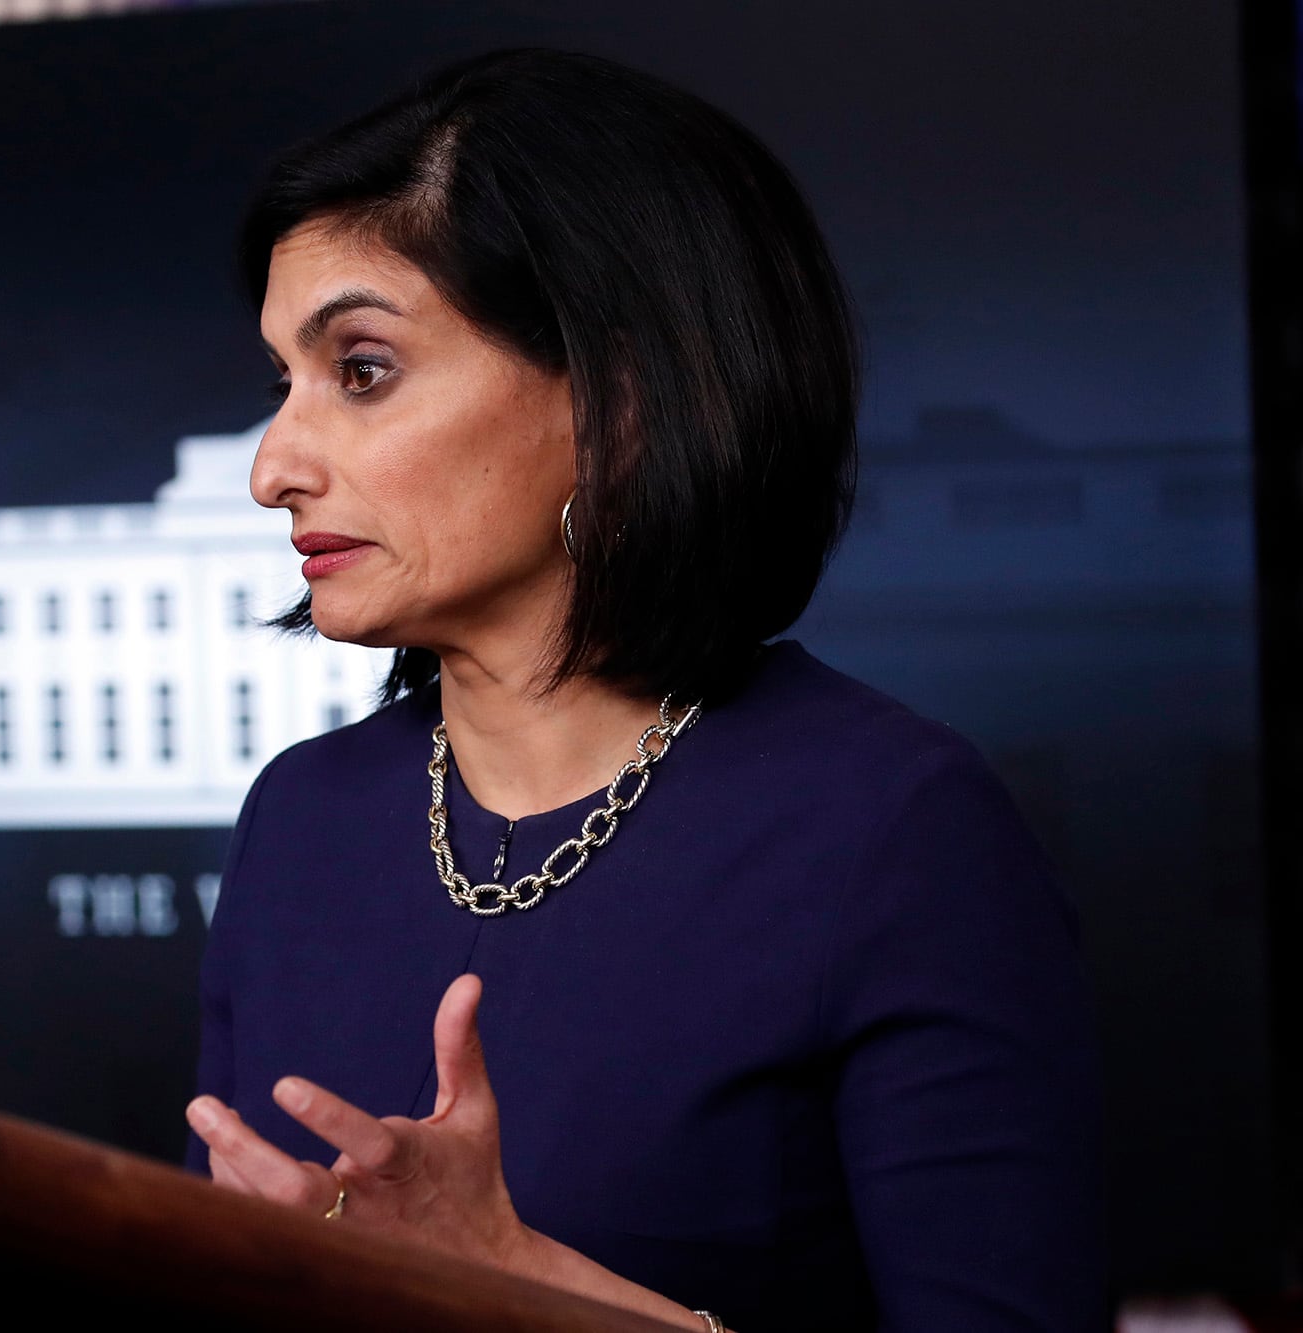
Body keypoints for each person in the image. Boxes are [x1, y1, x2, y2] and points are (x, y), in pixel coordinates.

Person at [183, 48, 1105, 1333]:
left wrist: (529, 1290)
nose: (272, 465)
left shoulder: (892, 825)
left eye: (362, 369)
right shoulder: (303, 816)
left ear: (621, 392)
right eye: (279, 382)